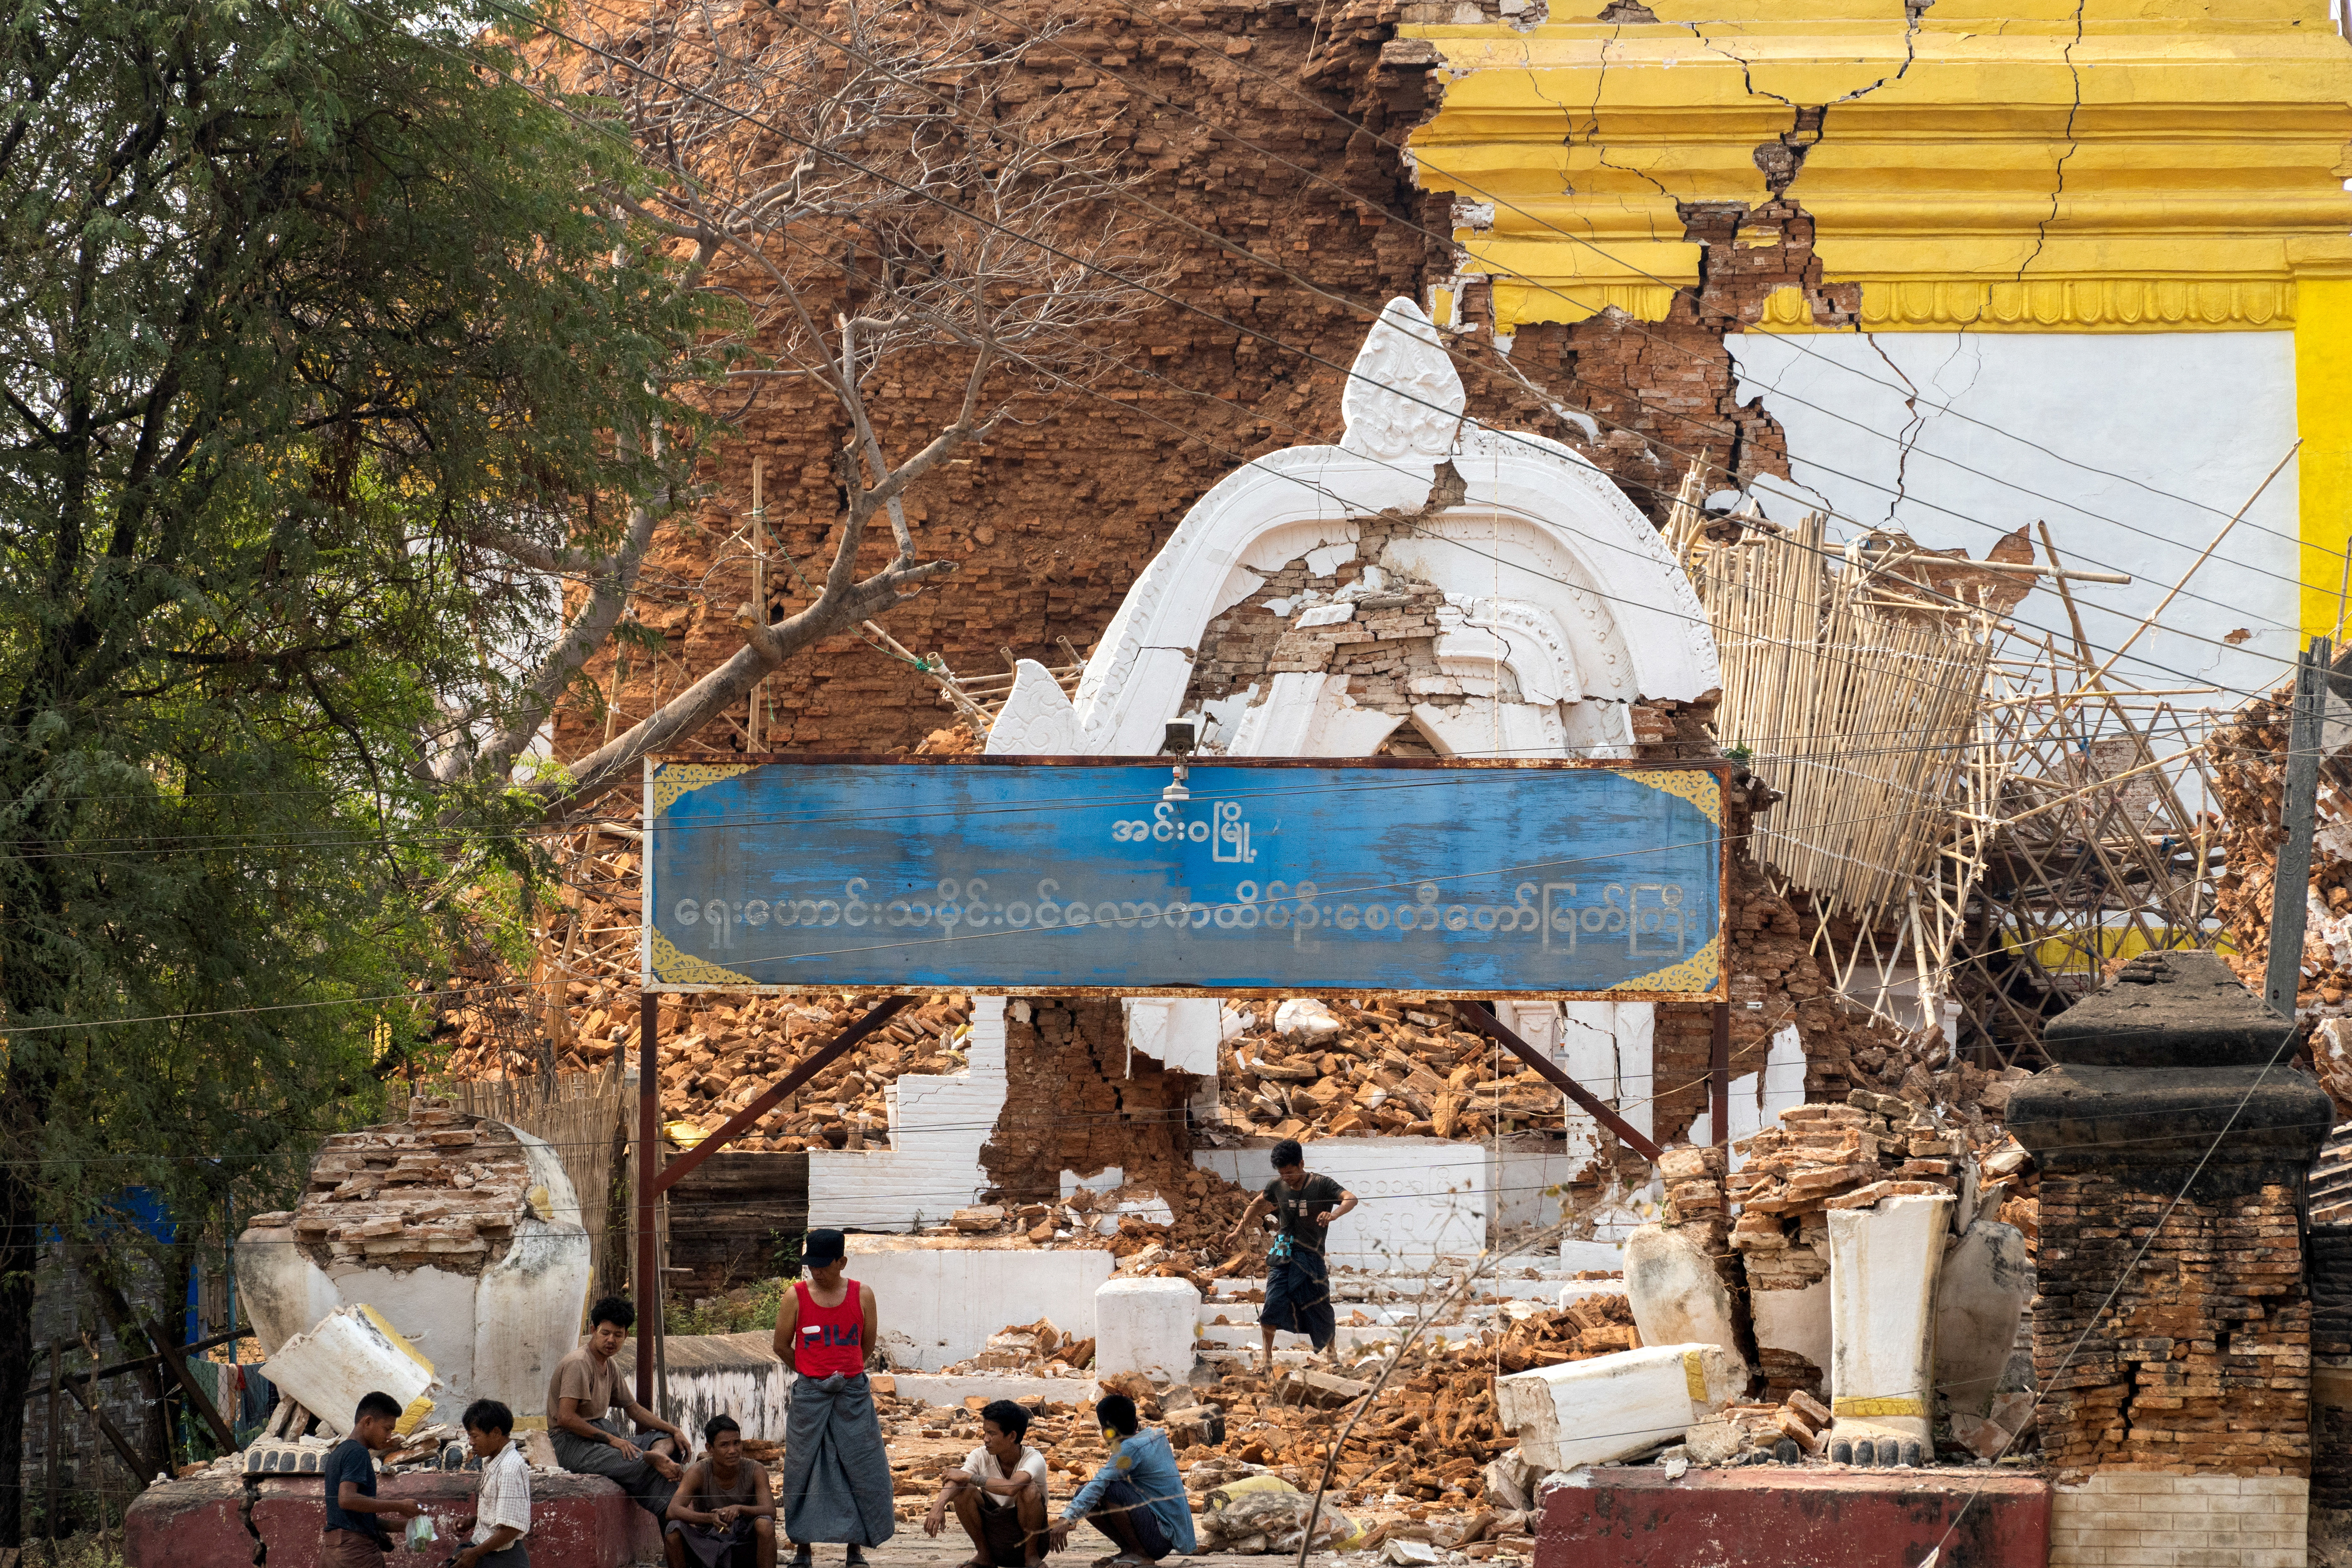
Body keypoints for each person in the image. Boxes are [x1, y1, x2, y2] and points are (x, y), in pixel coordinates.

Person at [773, 1228, 894, 1567]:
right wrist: (813, 1372)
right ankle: (803, 1548)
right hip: (810, 1396)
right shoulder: (795, 1296)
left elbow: (866, 1345)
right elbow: (781, 1345)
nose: (817, 1271)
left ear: (842, 1262)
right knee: (803, 1468)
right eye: (811, 1265)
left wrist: (843, 1374)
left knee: (860, 1467)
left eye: (824, 1265)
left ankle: (854, 1549)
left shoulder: (863, 1294)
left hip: (852, 1395)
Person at [1221, 1138, 1358, 1374]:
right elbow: (1257, 1203)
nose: (1287, 1178)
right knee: (1272, 1304)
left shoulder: (1322, 1184)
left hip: (1311, 1256)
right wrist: (1237, 1230)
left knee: (1320, 1305)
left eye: (1291, 1172)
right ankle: (1267, 1360)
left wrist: (1334, 1215)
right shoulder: (1278, 1186)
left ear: (1302, 1164)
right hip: (1282, 1253)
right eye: (1282, 1173)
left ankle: (1332, 1356)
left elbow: (1351, 1199)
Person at [548, 1295, 689, 1519]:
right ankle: (673, 1518)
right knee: (648, 1468)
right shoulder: (579, 1363)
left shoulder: (609, 1364)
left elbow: (633, 1408)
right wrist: (613, 1440)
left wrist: (674, 1430)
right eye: (605, 1333)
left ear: (626, 1336)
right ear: (593, 1330)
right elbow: (566, 1418)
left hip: (597, 1439)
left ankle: (656, 1455)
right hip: (569, 1443)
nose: (611, 1340)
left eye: (618, 1335)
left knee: (667, 1440)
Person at [1048, 1393, 1196, 1567]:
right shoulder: (1153, 1436)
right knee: (1086, 1492)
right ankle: (1128, 1550)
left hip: (1161, 1537)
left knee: (1110, 1490)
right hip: (1161, 1532)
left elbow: (1100, 1483)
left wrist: (1066, 1518)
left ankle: (1141, 1554)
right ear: (1135, 1424)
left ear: (1106, 1432)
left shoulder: (1131, 1449)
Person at [923, 1398, 1049, 1568]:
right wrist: (939, 1505)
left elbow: (1012, 1488)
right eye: (985, 1432)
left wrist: (969, 1477)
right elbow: (956, 1479)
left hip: (1030, 1540)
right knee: (963, 1491)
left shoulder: (1034, 1458)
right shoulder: (980, 1455)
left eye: (992, 1434)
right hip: (994, 1539)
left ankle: (1031, 1558)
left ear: (1012, 1436)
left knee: (1028, 1489)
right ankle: (984, 1557)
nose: (986, 1439)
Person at [320, 1391, 424, 1566]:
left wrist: (407, 1526)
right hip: (355, 1556)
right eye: (387, 1429)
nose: (389, 1436)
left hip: (335, 1553)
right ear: (368, 1422)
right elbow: (347, 1500)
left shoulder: (340, 1452)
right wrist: (400, 1506)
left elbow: (356, 1518)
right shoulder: (358, 1452)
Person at [666, 1414, 777, 1568]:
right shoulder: (698, 1472)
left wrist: (739, 1508)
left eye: (737, 1443)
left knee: (765, 1524)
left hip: (744, 1541)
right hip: (708, 1543)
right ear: (710, 1448)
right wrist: (711, 1518)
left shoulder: (755, 1470)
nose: (733, 1450)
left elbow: (771, 1511)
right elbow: (673, 1511)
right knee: (673, 1530)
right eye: (724, 1445)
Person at [453, 1398, 531, 1568]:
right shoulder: (494, 1461)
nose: (471, 1443)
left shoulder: (509, 1467)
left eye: (475, 1436)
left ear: (496, 1433)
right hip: (492, 1554)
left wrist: (476, 1553)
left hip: (503, 1559)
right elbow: (502, 1515)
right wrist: (474, 1520)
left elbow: (511, 1528)